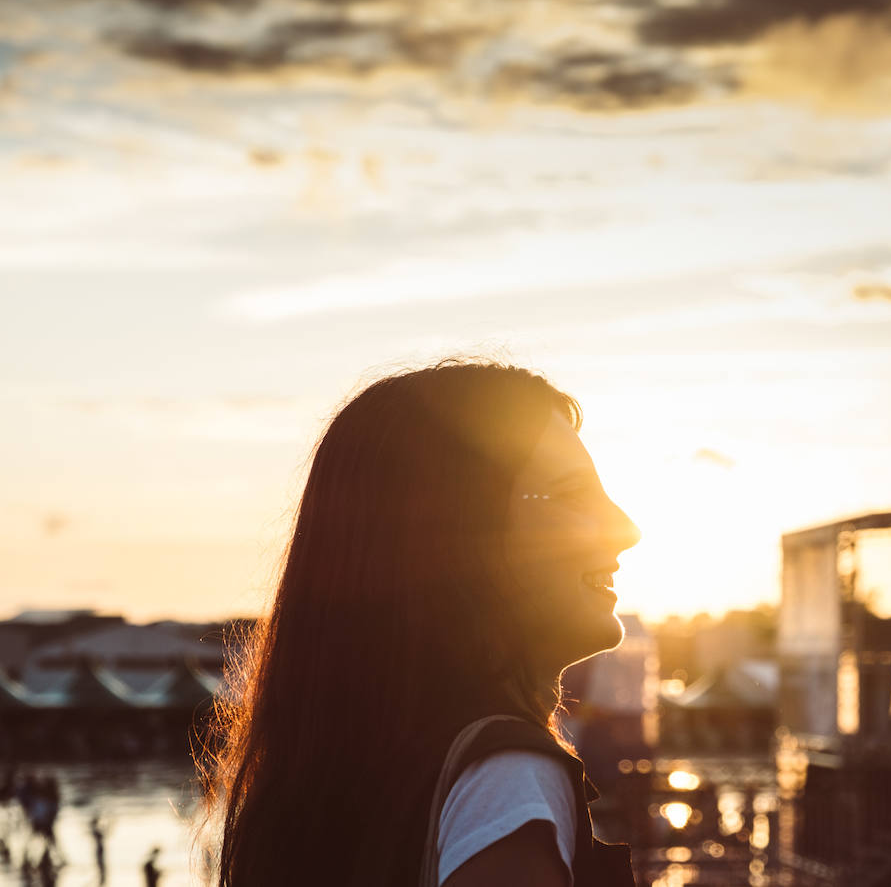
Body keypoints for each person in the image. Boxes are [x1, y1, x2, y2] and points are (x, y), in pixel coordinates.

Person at [203, 360, 641, 886]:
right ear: (454, 536)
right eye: (573, 495)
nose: (625, 528)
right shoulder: (507, 780)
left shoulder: (325, 783)